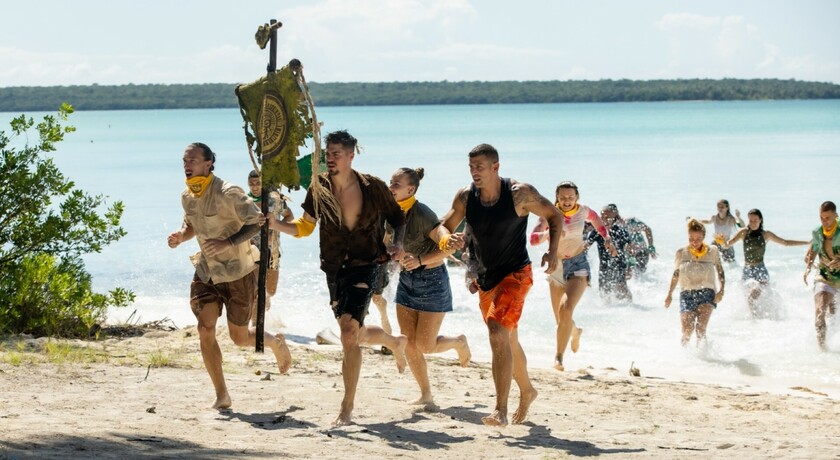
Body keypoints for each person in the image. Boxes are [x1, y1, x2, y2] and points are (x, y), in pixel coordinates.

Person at [270, 130, 408, 426]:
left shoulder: (373, 186)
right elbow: (305, 227)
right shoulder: (319, 187)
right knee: (354, 334)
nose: (330, 159)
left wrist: (398, 243)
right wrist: (275, 225)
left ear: (350, 156)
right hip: (334, 268)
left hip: (366, 264)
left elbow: (398, 218)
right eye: (327, 154)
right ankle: (394, 342)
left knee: (347, 333)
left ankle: (346, 407)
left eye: (336, 154)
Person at [441, 143, 562, 426]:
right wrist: (448, 238)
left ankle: (500, 410)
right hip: (486, 279)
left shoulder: (519, 194)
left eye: (480, 167)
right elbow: (445, 224)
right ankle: (528, 390)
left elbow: (554, 215)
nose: (474, 172)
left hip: (517, 274)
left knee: (496, 332)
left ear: (496, 167)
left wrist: (552, 250)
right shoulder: (466, 197)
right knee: (507, 339)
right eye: (471, 167)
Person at [167, 143, 292, 409]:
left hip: (238, 272)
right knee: (205, 329)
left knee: (239, 338)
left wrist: (228, 242)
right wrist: (180, 236)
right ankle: (222, 394)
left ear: (208, 163)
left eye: (192, 160)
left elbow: (257, 222)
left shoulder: (229, 192)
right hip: (207, 271)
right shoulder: (187, 195)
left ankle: (274, 342)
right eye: (184, 161)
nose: (187, 165)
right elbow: (191, 225)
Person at [388, 167, 472, 410]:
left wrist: (426, 255)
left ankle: (458, 342)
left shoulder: (422, 212)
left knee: (425, 345)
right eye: (390, 182)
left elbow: (445, 242)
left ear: (410, 189)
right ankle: (426, 394)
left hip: (432, 281)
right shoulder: (390, 212)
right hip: (406, 280)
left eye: (396, 184)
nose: (390, 187)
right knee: (408, 342)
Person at [530, 181, 615, 371]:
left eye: (570, 197)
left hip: (578, 264)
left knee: (565, 310)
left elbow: (597, 221)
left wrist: (606, 237)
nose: (566, 200)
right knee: (561, 320)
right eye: (562, 197)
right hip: (556, 267)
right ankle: (575, 332)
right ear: (557, 198)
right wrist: (549, 233)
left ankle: (558, 358)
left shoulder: (583, 211)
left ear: (577, 197)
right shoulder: (549, 214)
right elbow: (533, 239)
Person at [723, 209, 808, 317]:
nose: (753, 223)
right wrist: (722, 242)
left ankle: (760, 318)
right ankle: (756, 319)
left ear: (760, 220)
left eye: (755, 220)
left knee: (753, 296)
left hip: (760, 270)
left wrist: (806, 243)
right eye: (750, 220)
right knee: (749, 298)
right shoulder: (744, 233)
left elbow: (785, 242)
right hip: (747, 271)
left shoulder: (766, 235)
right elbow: (728, 244)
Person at [664, 219, 725, 346]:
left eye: (698, 239)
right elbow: (676, 274)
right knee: (687, 330)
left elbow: (720, 271)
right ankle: (683, 354)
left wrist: (721, 291)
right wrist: (669, 294)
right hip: (686, 294)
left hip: (707, 293)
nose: (694, 242)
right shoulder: (681, 252)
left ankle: (703, 355)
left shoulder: (712, 251)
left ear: (703, 237)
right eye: (691, 238)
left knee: (700, 330)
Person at [246, 170, 294, 328]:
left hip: (272, 251)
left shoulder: (275, 200)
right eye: (251, 184)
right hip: (252, 251)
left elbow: (289, 216)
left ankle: (263, 305)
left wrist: (276, 227)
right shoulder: (245, 201)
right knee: (256, 290)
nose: (254, 187)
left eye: (257, 183)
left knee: (270, 291)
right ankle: (254, 328)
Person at [804, 201, 839, 351]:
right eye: (821, 218)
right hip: (825, 276)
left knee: (834, 314)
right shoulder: (817, 232)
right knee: (820, 311)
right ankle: (822, 351)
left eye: (828, 218)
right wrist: (809, 263)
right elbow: (813, 250)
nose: (824, 222)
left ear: (836, 215)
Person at [586, 204, 632, 302]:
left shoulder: (621, 231)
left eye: (607, 217)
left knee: (621, 290)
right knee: (604, 293)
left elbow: (630, 250)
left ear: (615, 216)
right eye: (602, 216)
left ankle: (630, 307)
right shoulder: (597, 232)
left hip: (619, 265)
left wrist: (630, 267)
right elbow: (585, 247)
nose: (604, 219)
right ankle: (608, 309)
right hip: (604, 267)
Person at [698, 199, 744, 263]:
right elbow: (708, 221)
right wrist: (696, 220)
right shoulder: (714, 217)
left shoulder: (730, 219)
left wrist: (738, 217)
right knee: (708, 260)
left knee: (731, 264)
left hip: (727, 244)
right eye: (719, 207)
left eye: (722, 207)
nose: (720, 208)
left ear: (727, 208)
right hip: (716, 243)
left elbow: (742, 225)